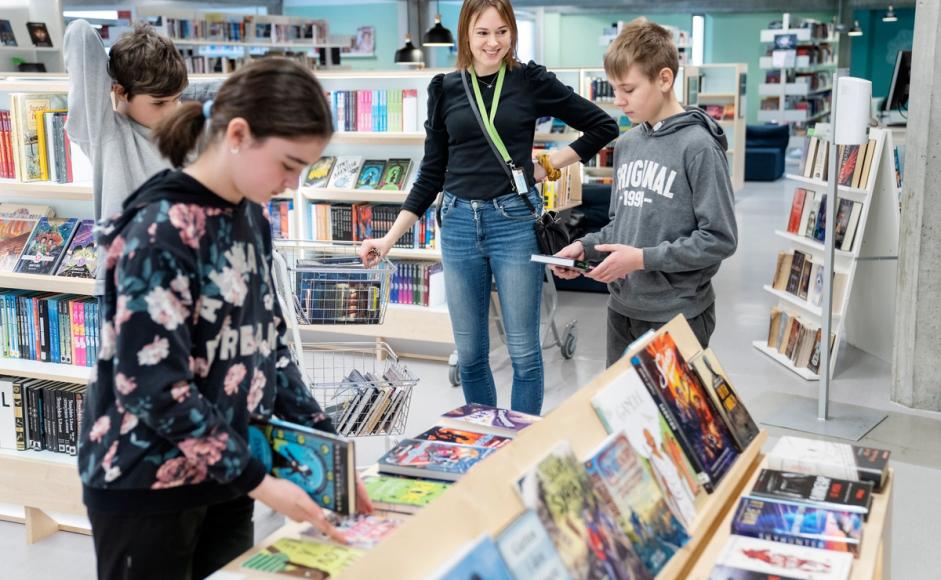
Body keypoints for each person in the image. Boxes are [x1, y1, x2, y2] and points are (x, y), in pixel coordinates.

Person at [77, 58, 372, 580]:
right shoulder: (158, 231)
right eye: (287, 165)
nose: (291, 183)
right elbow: (152, 385)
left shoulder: (251, 216)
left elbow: (271, 347)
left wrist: (332, 456)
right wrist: (260, 480)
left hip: (228, 473)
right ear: (237, 134)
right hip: (146, 484)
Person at [358, 0, 617, 415]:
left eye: (501, 31)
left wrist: (545, 165)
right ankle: (483, 445)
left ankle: (519, 449)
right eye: (482, 33)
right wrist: (389, 239)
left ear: (512, 32)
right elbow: (432, 173)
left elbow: (602, 126)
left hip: (513, 221)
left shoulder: (529, 81)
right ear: (466, 35)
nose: (493, 42)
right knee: (472, 354)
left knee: (523, 353)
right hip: (458, 223)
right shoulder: (445, 89)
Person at [552, 18, 738, 366]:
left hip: (677, 313)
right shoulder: (626, 144)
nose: (619, 101)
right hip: (622, 308)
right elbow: (620, 227)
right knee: (622, 417)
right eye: (614, 89)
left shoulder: (699, 147)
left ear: (664, 79)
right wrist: (583, 247)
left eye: (629, 89)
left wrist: (641, 259)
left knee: (672, 420)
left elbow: (719, 239)